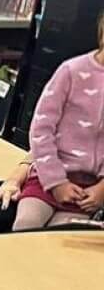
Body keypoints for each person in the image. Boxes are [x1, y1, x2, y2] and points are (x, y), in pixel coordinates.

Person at [14, 17, 104, 230]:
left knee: (63, 238)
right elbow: (41, 129)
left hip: (90, 190)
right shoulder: (71, 71)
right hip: (48, 177)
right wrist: (56, 182)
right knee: (26, 225)